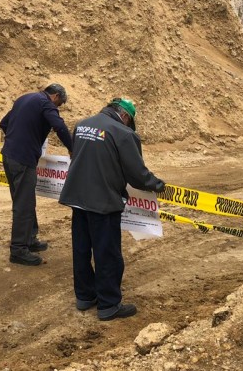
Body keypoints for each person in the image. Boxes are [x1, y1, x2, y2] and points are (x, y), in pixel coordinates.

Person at [59, 98, 165, 321]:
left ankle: (85, 296)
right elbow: (137, 174)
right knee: (107, 253)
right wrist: (157, 185)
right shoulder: (123, 133)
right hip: (103, 202)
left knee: (81, 249)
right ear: (125, 116)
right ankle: (108, 305)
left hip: (77, 197)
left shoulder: (82, 124)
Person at [0, 83, 73, 266]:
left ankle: (30, 239)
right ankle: (18, 250)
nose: (57, 108)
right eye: (59, 105)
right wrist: (74, 149)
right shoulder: (46, 103)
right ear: (55, 96)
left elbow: (4, 123)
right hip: (23, 160)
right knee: (24, 205)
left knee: (25, 200)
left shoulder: (25, 98)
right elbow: (59, 126)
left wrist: (19, 140)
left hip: (9, 155)